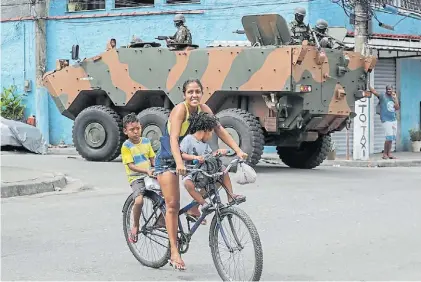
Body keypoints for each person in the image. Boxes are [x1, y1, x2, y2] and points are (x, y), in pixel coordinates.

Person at [154, 78, 248, 270]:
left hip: (190, 156)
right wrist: (179, 162)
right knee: (172, 204)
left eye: (197, 92)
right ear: (184, 95)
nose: (194, 95)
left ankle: (194, 207)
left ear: (202, 93)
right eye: (190, 92)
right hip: (168, 157)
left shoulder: (205, 109)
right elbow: (173, 139)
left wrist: (238, 150)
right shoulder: (180, 110)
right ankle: (173, 251)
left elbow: (220, 130)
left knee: (216, 176)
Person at [180, 112, 246, 225]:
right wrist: (195, 157)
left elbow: (209, 156)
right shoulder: (188, 139)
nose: (211, 136)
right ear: (206, 130)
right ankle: (202, 203)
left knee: (222, 170)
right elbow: (181, 154)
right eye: (211, 132)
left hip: (204, 172)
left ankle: (230, 195)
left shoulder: (205, 144)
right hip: (193, 172)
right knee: (187, 183)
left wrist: (218, 153)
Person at [121, 113, 156, 243]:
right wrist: (147, 171)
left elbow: (153, 159)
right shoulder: (126, 146)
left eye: (138, 128)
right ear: (125, 131)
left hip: (149, 174)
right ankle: (135, 225)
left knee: (166, 193)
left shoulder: (146, 142)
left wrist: (158, 167)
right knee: (139, 201)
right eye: (132, 130)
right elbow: (131, 166)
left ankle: (162, 219)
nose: (136, 132)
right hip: (136, 177)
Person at [368, 85, 400, 159]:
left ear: (392, 90)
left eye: (390, 89)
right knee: (388, 137)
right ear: (386, 90)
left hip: (393, 119)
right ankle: (385, 154)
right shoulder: (382, 96)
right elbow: (375, 92)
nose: (389, 91)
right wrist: (368, 85)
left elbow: (397, 107)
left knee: (391, 138)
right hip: (386, 119)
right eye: (388, 89)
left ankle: (389, 153)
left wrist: (395, 99)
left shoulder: (393, 97)